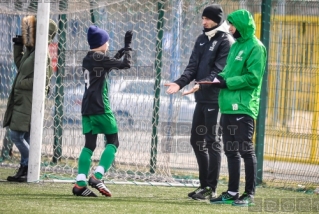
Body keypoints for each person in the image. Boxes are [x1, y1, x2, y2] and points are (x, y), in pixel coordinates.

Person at [165, 4, 234, 200]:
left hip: (215, 99)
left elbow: (219, 71)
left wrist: (201, 85)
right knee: (196, 141)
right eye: (202, 18)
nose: (204, 22)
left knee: (212, 142)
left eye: (208, 18)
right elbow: (192, 66)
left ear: (218, 19)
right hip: (201, 99)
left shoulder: (225, 41)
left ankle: (210, 188)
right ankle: (204, 185)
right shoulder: (202, 39)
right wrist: (179, 83)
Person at [209, 9, 267, 206]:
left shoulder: (256, 47)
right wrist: (217, 79)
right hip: (227, 106)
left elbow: (253, 78)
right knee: (231, 151)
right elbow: (227, 71)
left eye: (232, 24)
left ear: (241, 25)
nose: (230, 28)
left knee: (245, 150)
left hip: (243, 106)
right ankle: (232, 192)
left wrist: (228, 82)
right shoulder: (235, 46)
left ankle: (249, 194)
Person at [72, 26, 133, 197]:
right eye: (107, 41)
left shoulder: (88, 58)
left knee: (89, 145)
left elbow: (104, 67)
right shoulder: (100, 58)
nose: (108, 43)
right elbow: (126, 65)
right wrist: (128, 47)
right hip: (100, 107)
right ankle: (97, 176)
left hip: (87, 108)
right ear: (101, 43)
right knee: (113, 141)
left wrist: (117, 55)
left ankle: (80, 183)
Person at [2, 16, 57, 182]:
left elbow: (44, 81)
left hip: (29, 101)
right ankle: (25, 168)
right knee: (24, 137)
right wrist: (18, 46)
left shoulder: (43, 54)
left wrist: (21, 84)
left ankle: (32, 165)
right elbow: (20, 67)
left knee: (16, 135)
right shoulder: (32, 51)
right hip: (21, 100)